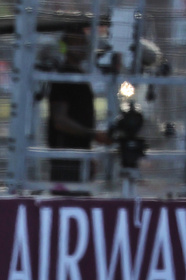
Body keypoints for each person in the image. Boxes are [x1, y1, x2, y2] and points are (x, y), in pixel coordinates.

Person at [47, 28, 110, 187]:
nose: (82, 46)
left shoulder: (79, 75)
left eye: (84, 42)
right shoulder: (63, 76)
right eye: (77, 42)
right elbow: (59, 121)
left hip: (79, 157)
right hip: (66, 158)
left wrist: (89, 150)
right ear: (66, 45)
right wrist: (93, 135)